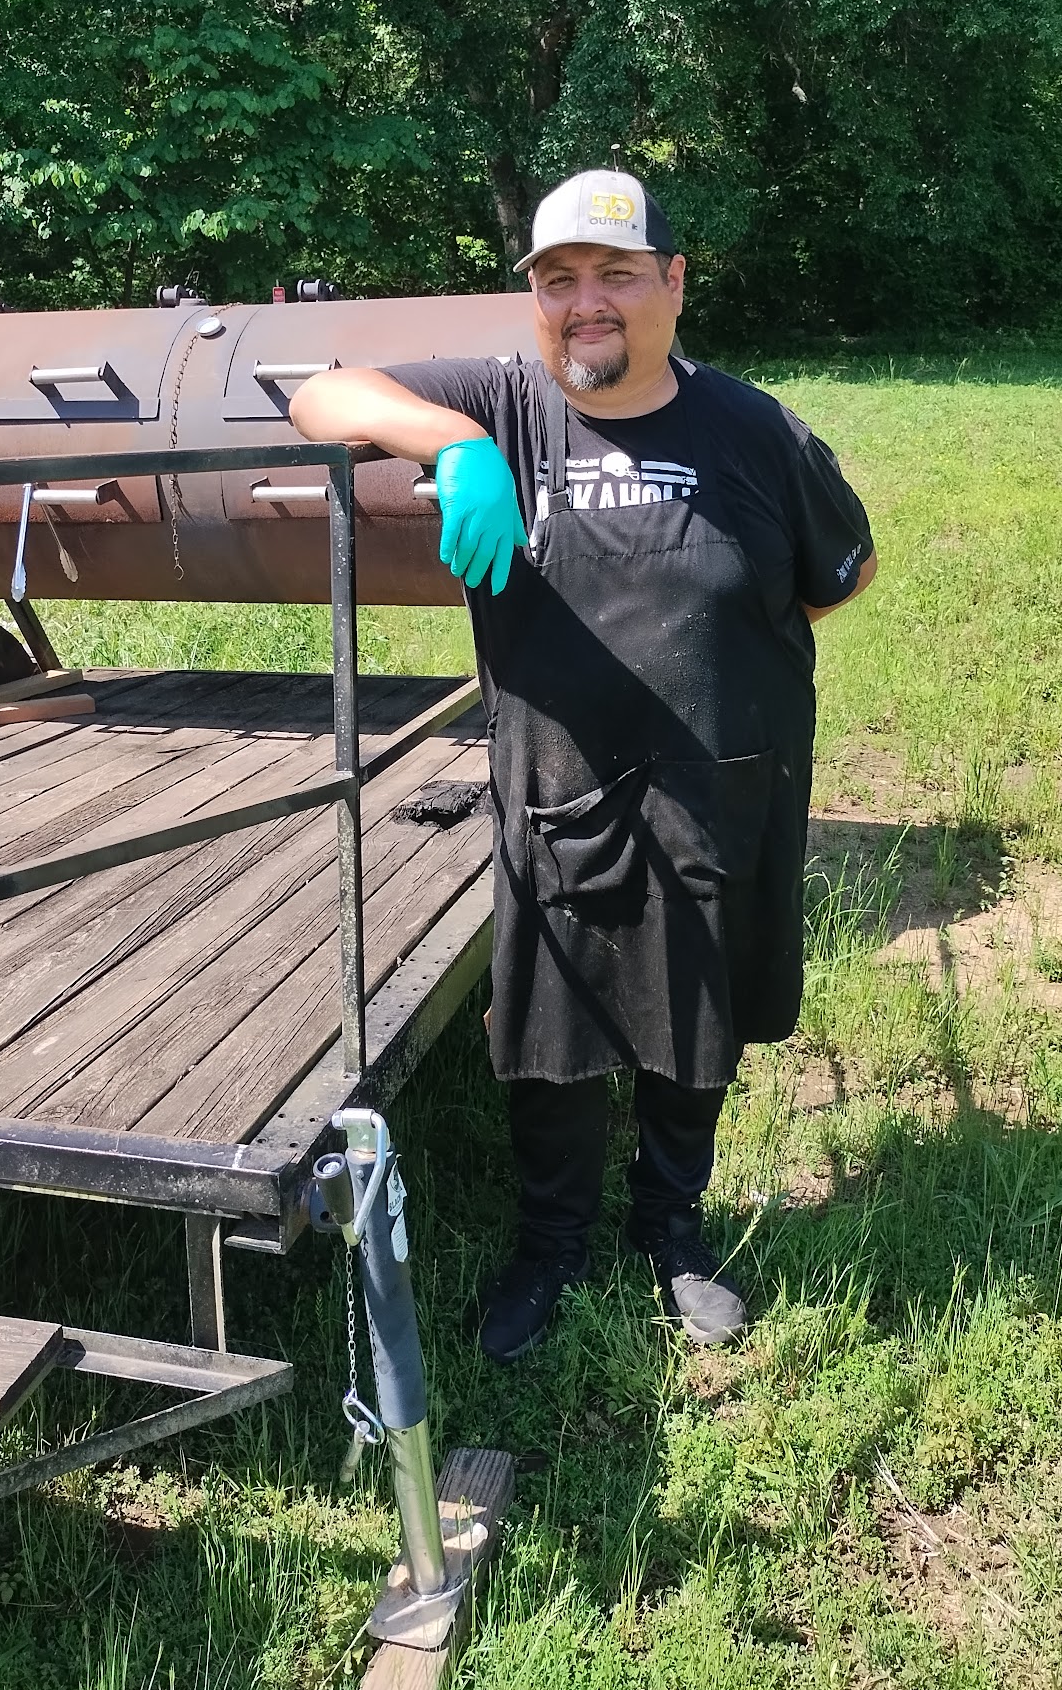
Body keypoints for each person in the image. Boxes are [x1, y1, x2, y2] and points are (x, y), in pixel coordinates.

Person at [291, 169, 876, 1364]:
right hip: (557, 785)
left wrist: (719, 646)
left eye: (616, 273)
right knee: (551, 1028)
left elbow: (844, 570)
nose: (586, 301)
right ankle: (550, 1241)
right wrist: (455, 443)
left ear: (674, 282)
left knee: (698, 1015)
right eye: (560, 280)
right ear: (537, 301)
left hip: (716, 779)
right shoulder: (503, 402)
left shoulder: (754, 429)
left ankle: (673, 1227)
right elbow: (319, 391)